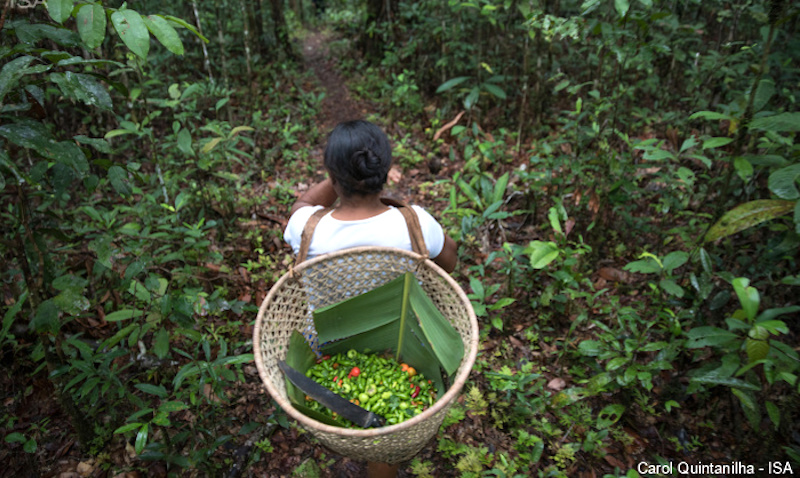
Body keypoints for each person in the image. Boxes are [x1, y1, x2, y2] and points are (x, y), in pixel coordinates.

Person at [284, 120, 457, 273]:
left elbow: (303, 203)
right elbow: (450, 262)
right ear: (386, 169)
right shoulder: (417, 224)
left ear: (332, 175)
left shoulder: (306, 227)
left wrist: (342, 172)